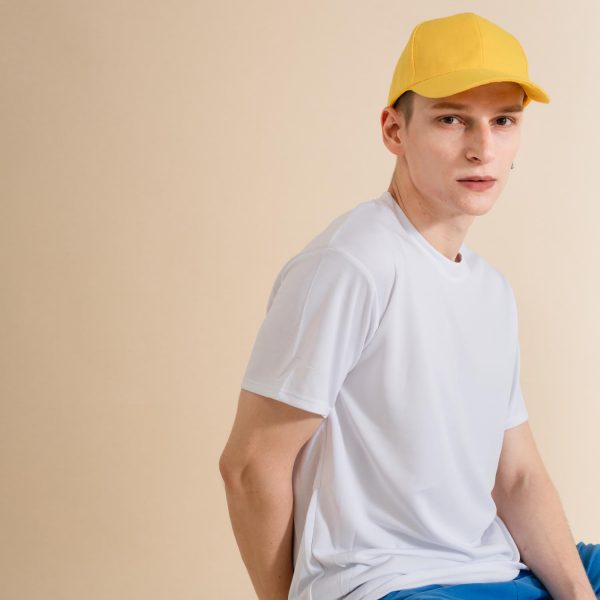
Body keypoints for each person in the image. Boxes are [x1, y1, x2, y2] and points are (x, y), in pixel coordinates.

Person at [218, 11, 599, 600]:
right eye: (452, 119)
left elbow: (517, 476)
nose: (482, 148)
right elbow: (250, 466)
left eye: (503, 120)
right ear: (395, 130)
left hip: (491, 568)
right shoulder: (352, 264)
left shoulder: (490, 289)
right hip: (391, 583)